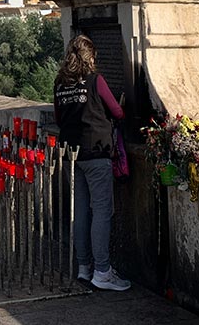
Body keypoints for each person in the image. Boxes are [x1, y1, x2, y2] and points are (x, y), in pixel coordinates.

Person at [53, 34, 130, 291]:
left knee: (81, 211)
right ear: (91, 57)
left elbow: (58, 116)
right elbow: (117, 112)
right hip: (96, 152)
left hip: (70, 153)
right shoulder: (95, 81)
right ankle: (103, 271)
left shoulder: (60, 83)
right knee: (102, 211)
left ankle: (84, 267)